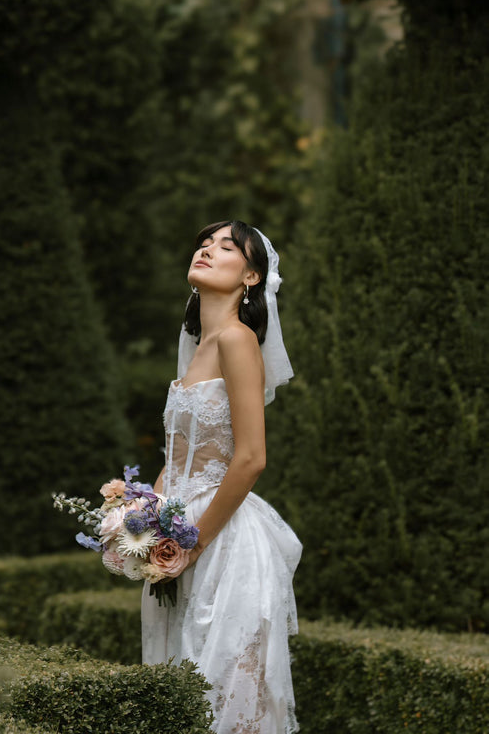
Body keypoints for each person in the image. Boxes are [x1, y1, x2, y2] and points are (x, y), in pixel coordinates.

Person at [141, 220, 302, 734]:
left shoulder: (237, 340)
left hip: (224, 541)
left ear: (251, 276)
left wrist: (193, 541)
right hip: (175, 538)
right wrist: (137, 521)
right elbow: (177, 458)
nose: (207, 250)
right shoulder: (196, 346)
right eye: (204, 244)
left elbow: (251, 458)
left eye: (226, 247)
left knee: (223, 698)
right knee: (177, 692)